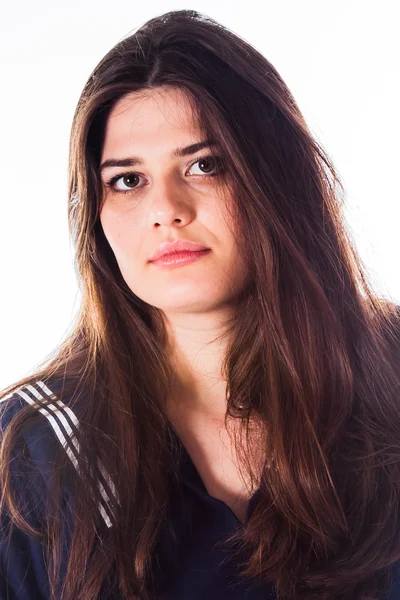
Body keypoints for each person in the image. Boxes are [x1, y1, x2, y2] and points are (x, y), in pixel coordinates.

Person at [1, 8, 400, 600]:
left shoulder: (390, 376)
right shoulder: (31, 453)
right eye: (127, 180)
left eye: (204, 165)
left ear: (276, 178)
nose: (167, 208)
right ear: (97, 215)